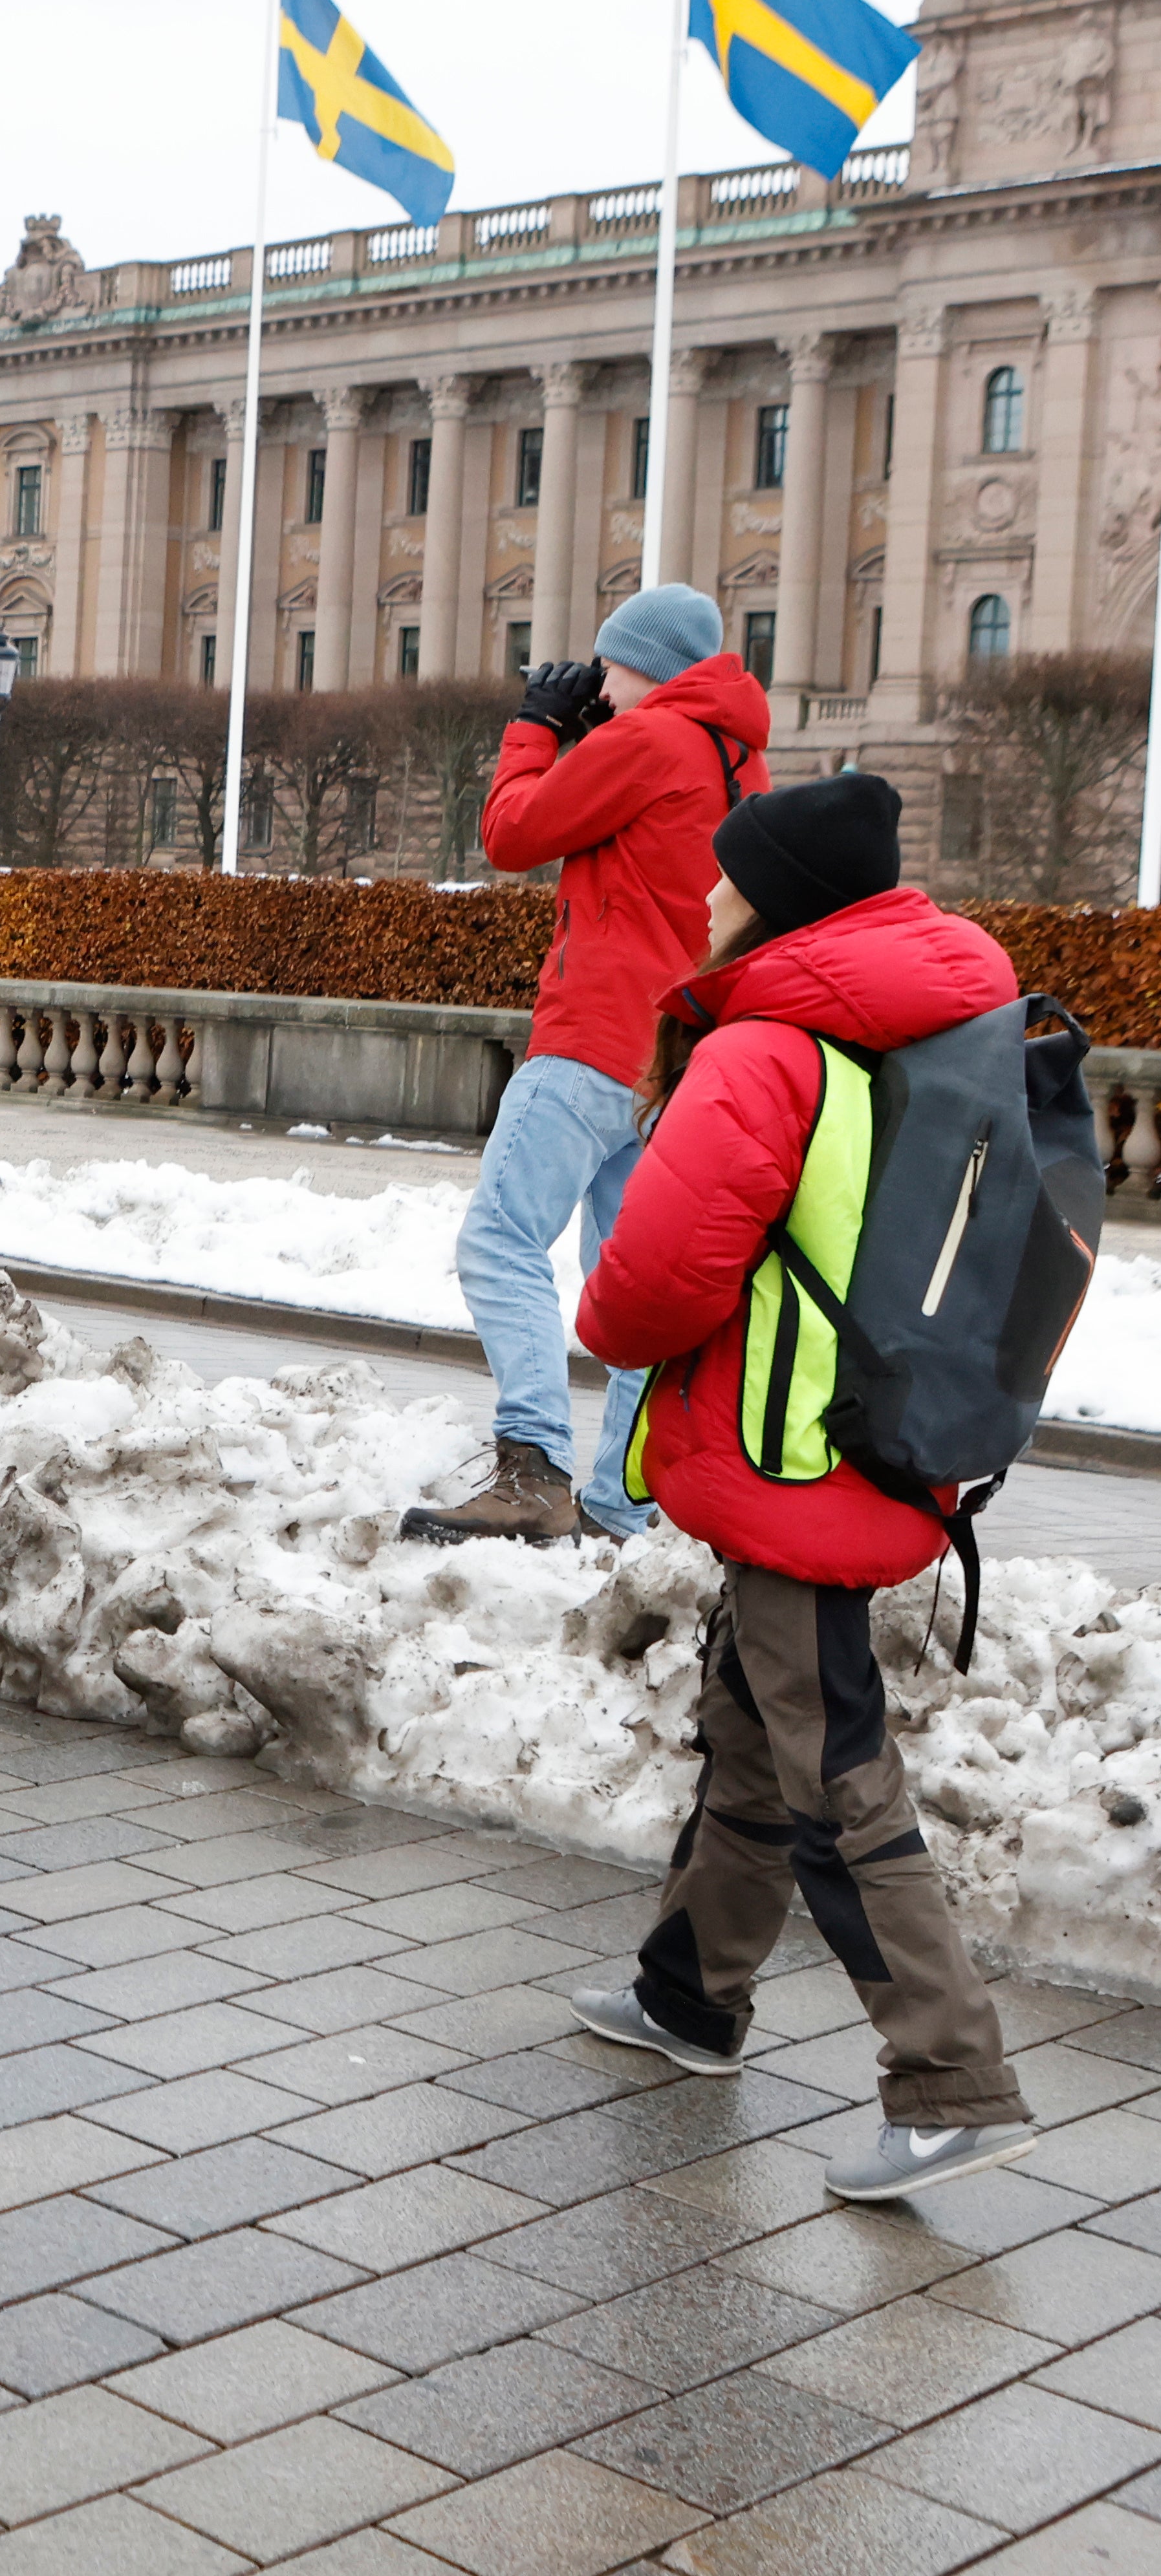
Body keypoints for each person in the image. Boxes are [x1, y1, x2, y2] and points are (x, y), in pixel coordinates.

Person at [563, 773, 1039, 2202]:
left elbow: (647, 1281)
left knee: (829, 1767)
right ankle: (686, 1994)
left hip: (786, 1457)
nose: (705, 900)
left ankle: (950, 2078)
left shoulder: (767, 1045)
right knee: (750, 1734)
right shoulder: (936, 1022)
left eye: (726, 879)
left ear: (778, 897)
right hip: (869, 1437)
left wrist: (591, 1323)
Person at [403, 586, 774, 1544]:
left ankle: (530, 1471)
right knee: (623, 1281)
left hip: (592, 1040)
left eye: (607, 669)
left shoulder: (647, 738)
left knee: (497, 1240)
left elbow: (511, 834)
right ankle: (617, 1506)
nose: (596, 688)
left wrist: (533, 727)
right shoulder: (737, 758)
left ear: (646, 665)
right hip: (670, 1063)